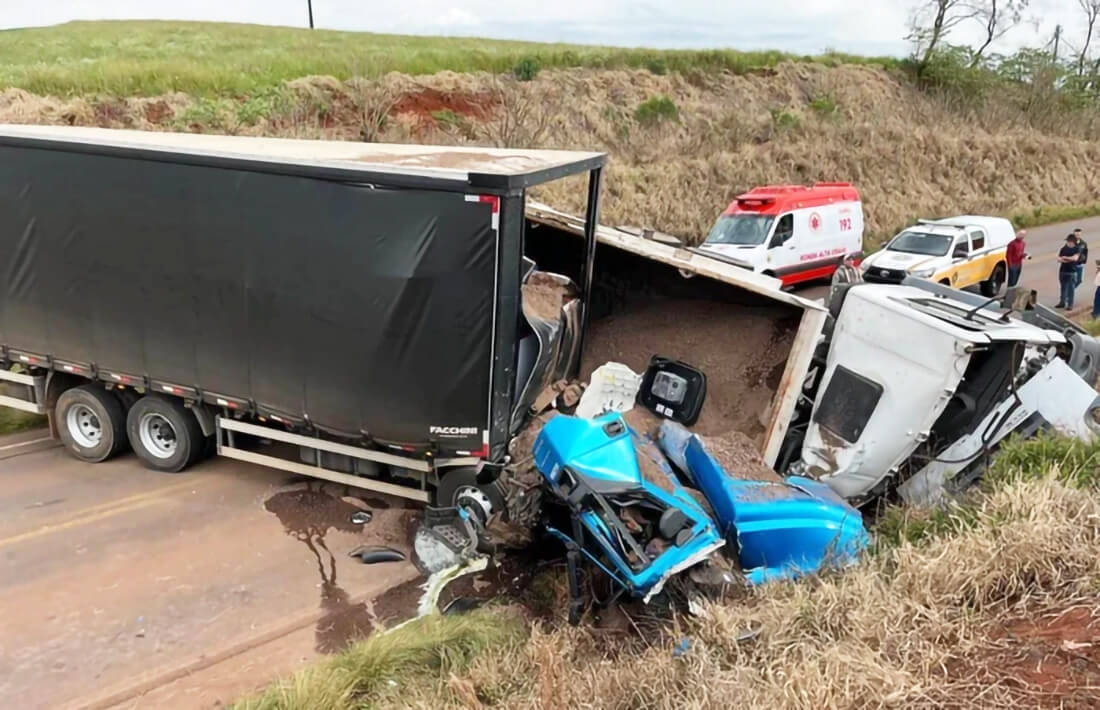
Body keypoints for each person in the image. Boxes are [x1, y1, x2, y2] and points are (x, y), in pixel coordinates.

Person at [1056, 234, 1081, 309]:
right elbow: (1059, 259)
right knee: (1063, 288)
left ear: (1073, 242)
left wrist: (1066, 258)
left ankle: (1070, 304)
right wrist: (1066, 259)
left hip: (1072, 272)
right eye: (1067, 241)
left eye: (1069, 241)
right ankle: (1062, 302)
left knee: (1071, 289)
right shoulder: (1063, 249)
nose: (1068, 242)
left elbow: (1075, 258)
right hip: (1063, 271)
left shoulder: (1077, 249)